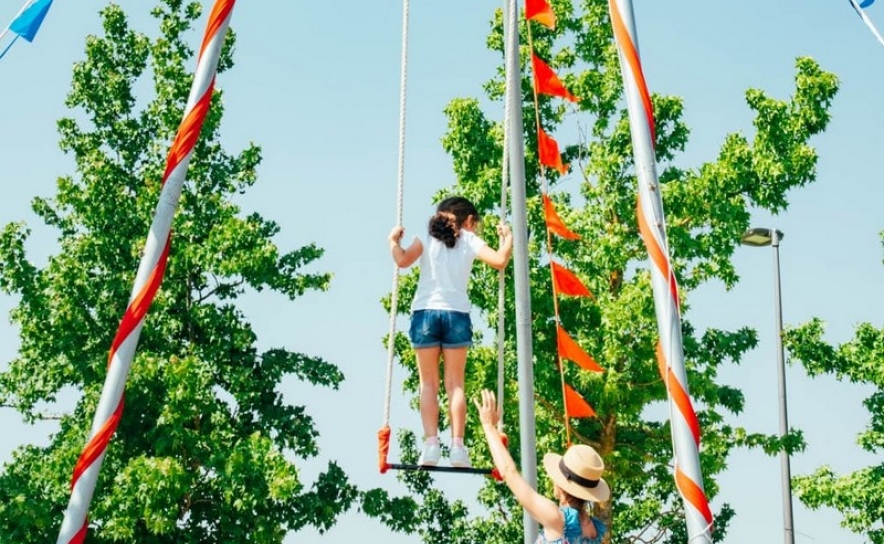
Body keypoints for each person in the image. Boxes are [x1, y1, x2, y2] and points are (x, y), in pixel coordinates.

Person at [389, 196, 513, 468]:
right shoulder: (469, 240)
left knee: (428, 385)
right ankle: (458, 447)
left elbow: (402, 261)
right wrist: (507, 237)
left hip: (425, 314)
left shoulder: (425, 238)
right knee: (455, 384)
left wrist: (393, 242)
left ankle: (431, 445)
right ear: (468, 220)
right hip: (456, 314)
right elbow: (500, 260)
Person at [475, 389, 608, 544]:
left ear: (561, 485)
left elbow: (509, 472)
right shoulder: (594, 530)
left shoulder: (556, 519)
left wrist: (488, 426)